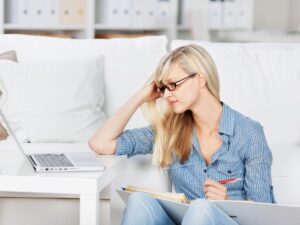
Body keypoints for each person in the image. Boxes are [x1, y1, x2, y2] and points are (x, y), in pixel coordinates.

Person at [89, 44, 275, 225]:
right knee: (139, 202)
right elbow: (100, 143)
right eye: (163, 88)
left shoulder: (250, 134)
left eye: (173, 85)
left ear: (200, 79)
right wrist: (141, 96)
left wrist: (228, 203)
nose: (167, 94)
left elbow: (264, 214)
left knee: (201, 209)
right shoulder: (170, 131)